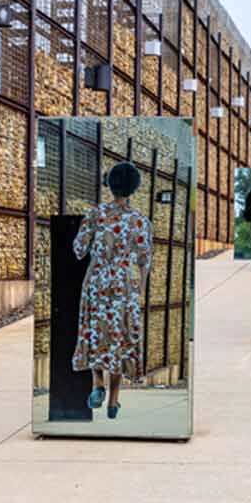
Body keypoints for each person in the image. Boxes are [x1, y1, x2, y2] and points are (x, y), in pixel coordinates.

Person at [72, 161, 153, 420]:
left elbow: (78, 249)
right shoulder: (140, 220)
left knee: (96, 332)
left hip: (97, 280)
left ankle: (97, 383)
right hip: (123, 282)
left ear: (110, 185)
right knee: (118, 335)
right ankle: (114, 402)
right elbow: (144, 258)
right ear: (134, 188)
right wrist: (140, 285)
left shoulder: (96, 214)